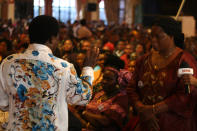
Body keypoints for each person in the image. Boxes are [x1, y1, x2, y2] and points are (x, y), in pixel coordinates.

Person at [0, 15, 99, 131]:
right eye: (57, 38)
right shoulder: (63, 67)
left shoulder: (8, 63)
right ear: (52, 39)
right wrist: (88, 68)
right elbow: (84, 97)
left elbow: (3, 103)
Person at [127, 16, 197, 131]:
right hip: (146, 121)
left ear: (171, 36)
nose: (153, 40)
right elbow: (132, 88)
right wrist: (141, 109)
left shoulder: (184, 61)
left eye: (158, 37)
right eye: (151, 36)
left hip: (173, 123)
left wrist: (152, 110)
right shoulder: (144, 60)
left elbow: (186, 94)